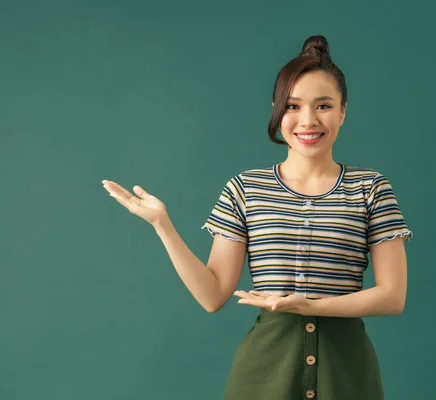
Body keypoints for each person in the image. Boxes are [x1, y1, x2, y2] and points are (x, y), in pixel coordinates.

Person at [101, 34, 413, 400]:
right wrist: (162, 225)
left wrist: (312, 306)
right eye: (293, 106)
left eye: (324, 105)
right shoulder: (245, 190)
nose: (308, 120)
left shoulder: (370, 188)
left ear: (343, 111)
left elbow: (393, 297)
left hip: (348, 378)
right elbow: (213, 294)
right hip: (264, 377)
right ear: (277, 110)